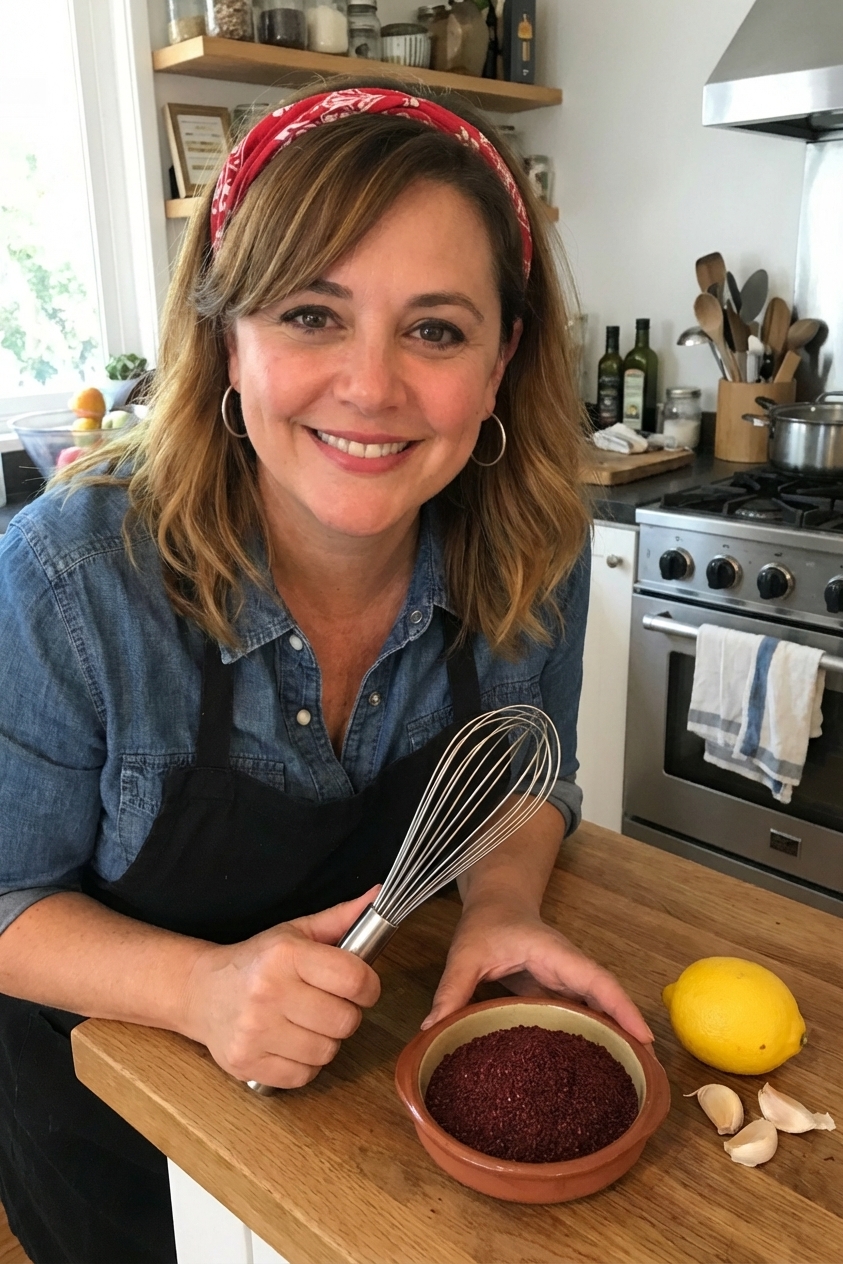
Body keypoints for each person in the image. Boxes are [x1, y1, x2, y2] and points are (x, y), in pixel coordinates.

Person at [0, 79, 653, 1264]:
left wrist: (499, 911)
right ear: (226, 335)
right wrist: (205, 990)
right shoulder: (68, 579)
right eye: (312, 313)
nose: (371, 385)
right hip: (119, 1140)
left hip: (377, 1145)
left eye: (437, 328)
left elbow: (519, 781)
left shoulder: (534, 549)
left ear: (502, 360)